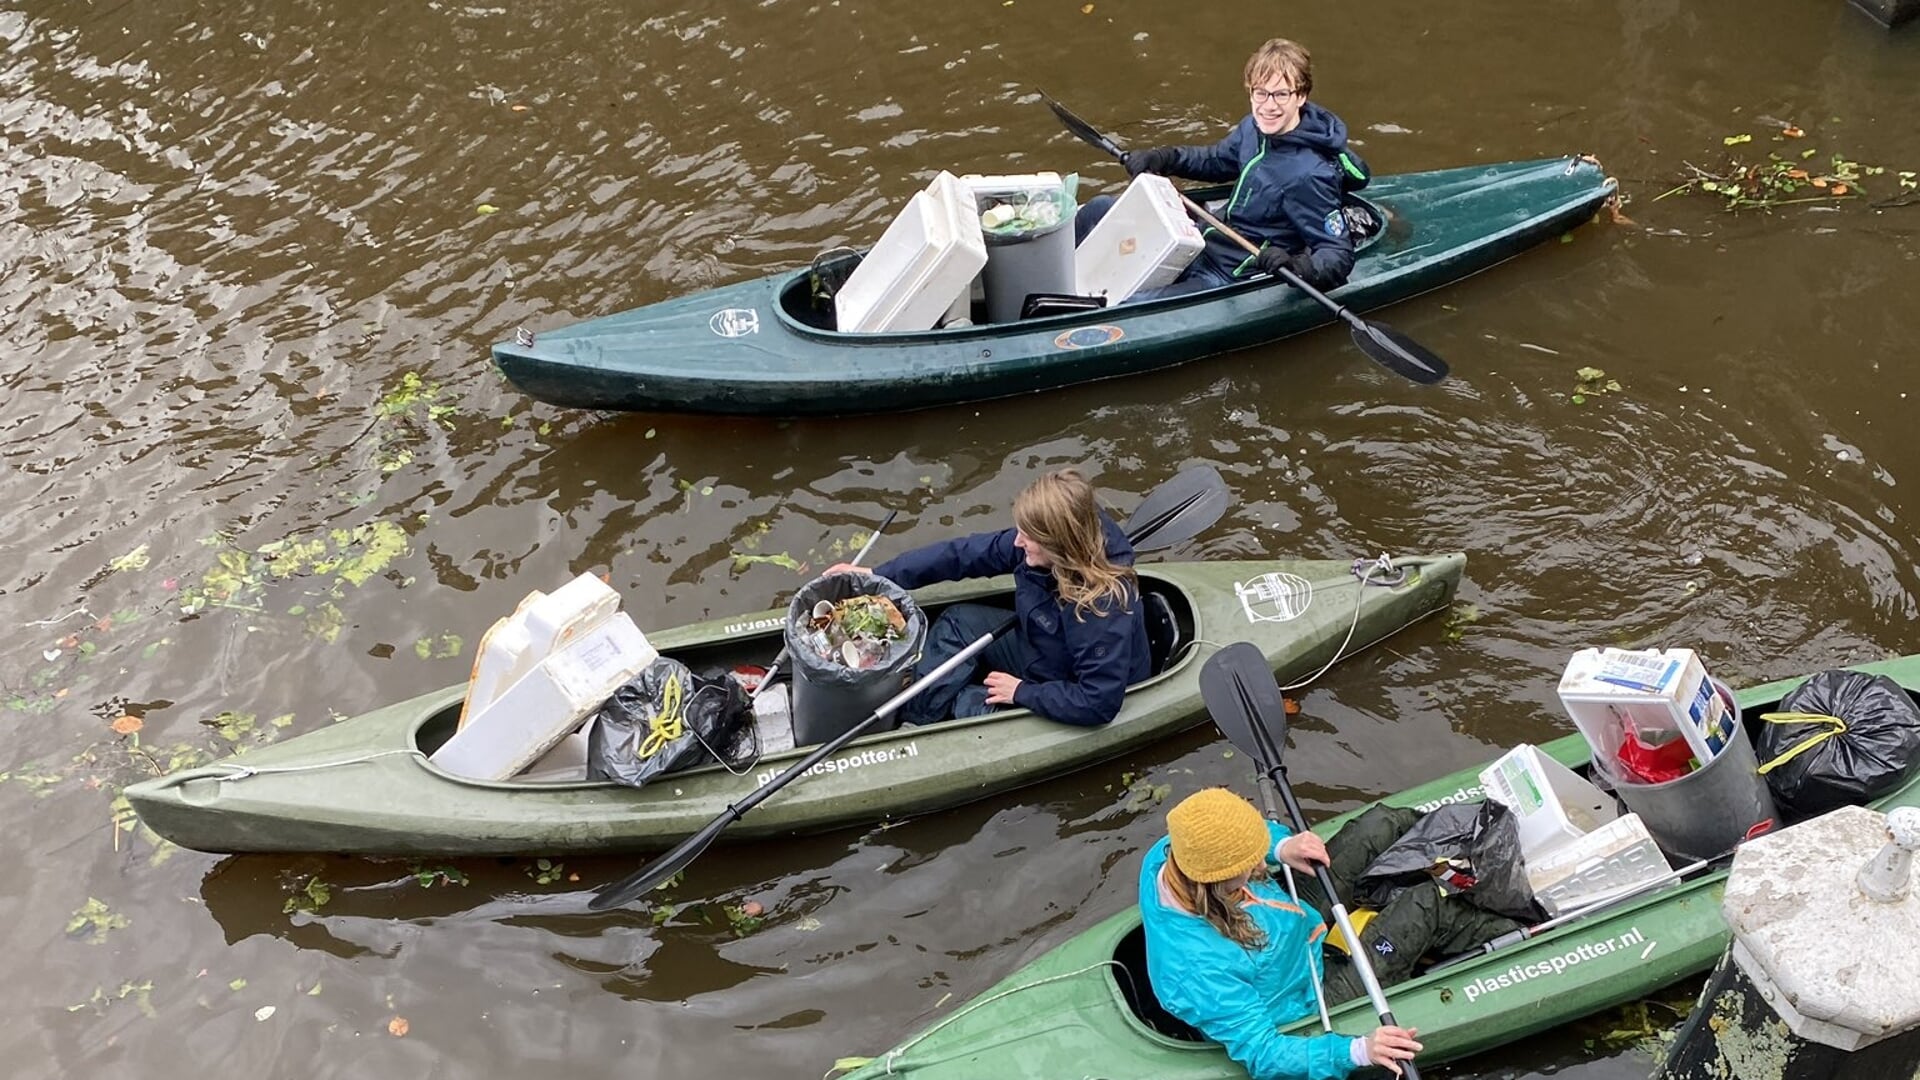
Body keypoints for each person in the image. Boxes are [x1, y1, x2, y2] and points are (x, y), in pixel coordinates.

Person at [1139, 788, 1521, 1080]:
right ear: (1216, 878)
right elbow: (1265, 1053)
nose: (1260, 864)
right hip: (1311, 994)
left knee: (1380, 824)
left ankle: (1485, 858)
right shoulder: (1200, 972)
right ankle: (1529, 926)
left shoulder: (1173, 850)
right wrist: (1357, 1051)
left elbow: (1249, 840)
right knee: (1428, 904)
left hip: (1294, 921)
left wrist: (1281, 845)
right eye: (1250, 862)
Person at [827, 469, 1149, 727]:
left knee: (966, 703)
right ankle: (918, 717)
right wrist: (879, 574)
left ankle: (925, 723)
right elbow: (962, 555)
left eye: (1029, 537)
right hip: (1040, 645)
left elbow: (1098, 702)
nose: (1018, 542)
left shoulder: (1102, 609)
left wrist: (1021, 692)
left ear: (1059, 545)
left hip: (1061, 686)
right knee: (957, 621)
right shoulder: (1039, 546)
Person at [1076, 37, 1370, 301]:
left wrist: (1298, 266)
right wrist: (1164, 157)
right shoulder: (1253, 129)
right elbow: (1215, 160)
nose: (1268, 106)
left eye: (1281, 94)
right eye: (1260, 93)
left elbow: (1336, 252)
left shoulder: (1309, 174)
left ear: (1300, 96)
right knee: (1098, 209)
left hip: (1230, 272)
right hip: (1205, 239)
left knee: (1135, 304)